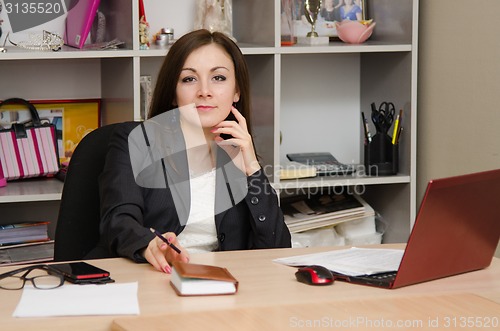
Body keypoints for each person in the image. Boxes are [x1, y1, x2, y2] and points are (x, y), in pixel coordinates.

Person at [89, 29, 291, 273]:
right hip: (151, 278)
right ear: (173, 93)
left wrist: (252, 170)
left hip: (220, 287)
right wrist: (148, 245)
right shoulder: (137, 141)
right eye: (189, 79)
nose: (204, 91)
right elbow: (118, 219)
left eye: (218, 78)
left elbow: (276, 247)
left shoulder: (238, 153)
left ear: (236, 91)